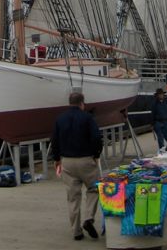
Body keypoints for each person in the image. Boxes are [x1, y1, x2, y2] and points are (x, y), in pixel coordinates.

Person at [51, 91, 102, 241]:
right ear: (82, 103)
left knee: (73, 197)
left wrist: (57, 159)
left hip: (67, 161)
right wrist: (96, 154)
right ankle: (89, 218)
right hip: (86, 159)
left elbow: (54, 140)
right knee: (94, 188)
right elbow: (96, 138)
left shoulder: (60, 119)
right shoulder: (88, 118)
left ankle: (76, 232)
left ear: (69, 103)